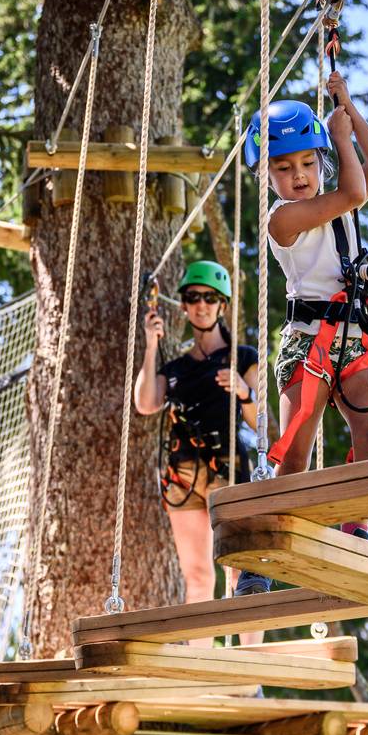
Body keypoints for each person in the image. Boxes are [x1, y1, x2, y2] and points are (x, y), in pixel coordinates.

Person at [245, 71, 368, 540]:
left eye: (309, 163)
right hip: (308, 345)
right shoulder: (282, 219)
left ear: (322, 163)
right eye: (284, 169)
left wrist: (347, 108)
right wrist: (336, 138)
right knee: (295, 452)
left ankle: (357, 525)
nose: (299, 176)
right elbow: (353, 190)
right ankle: (273, 540)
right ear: (266, 176)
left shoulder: (338, 200)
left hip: (354, 337)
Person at [133, 261, 271, 635]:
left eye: (210, 298)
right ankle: (204, 667)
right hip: (183, 476)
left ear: (222, 306)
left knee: (240, 571)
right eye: (193, 298)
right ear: (184, 306)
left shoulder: (242, 358)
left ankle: (250, 673)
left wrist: (245, 394)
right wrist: (150, 346)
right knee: (196, 576)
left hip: (229, 470)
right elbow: (146, 403)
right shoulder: (177, 367)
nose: (201, 305)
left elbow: (265, 425)